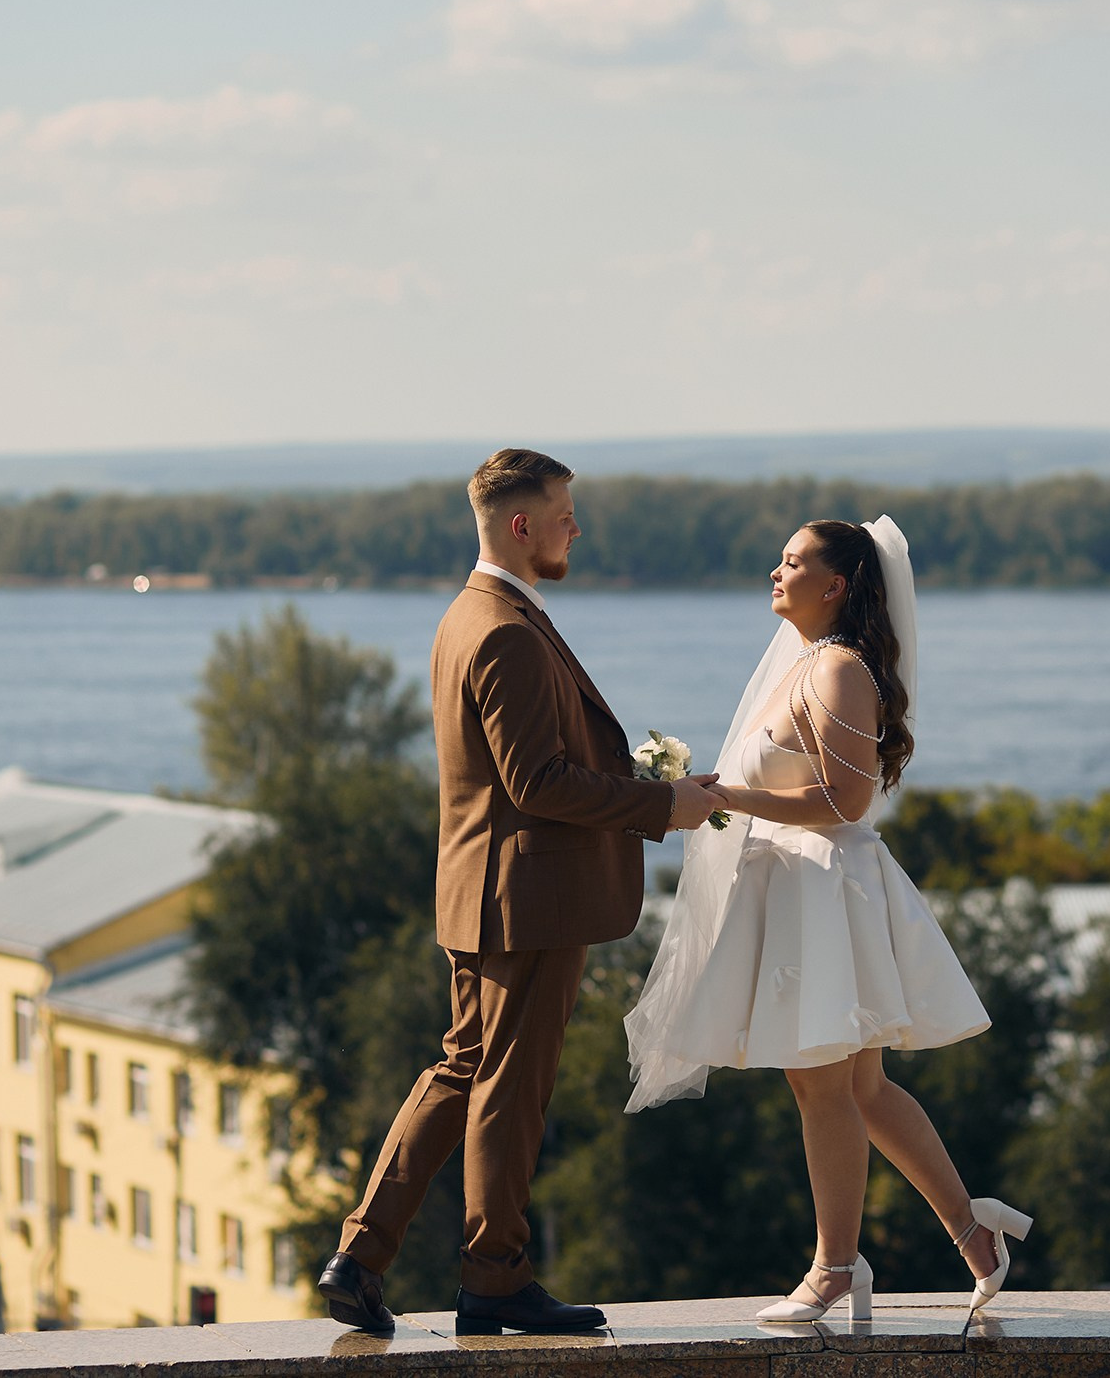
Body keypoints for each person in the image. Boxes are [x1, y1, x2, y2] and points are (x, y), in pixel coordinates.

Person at [317, 448, 724, 1337]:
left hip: (488, 889)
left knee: (464, 1069)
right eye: (565, 511)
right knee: (508, 1086)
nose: (577, 526)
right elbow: (537, 782)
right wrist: (664, 805)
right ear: (520, 524)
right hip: (527, 897)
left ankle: (359, 1256)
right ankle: (493, 1278)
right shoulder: (502, 627)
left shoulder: (470, 615)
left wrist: (643, 783)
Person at [624, 517, 1033, 1321]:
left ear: (837, 584)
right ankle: (972, 1228)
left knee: (823, 1086)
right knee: (864, 1087)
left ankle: (836, 1265)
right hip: (801, 892)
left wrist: (727, 797)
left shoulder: (839, 669)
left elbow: (846, 801)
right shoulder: (800, 664)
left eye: (793, 562)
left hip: (825, 892)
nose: (775, 572)